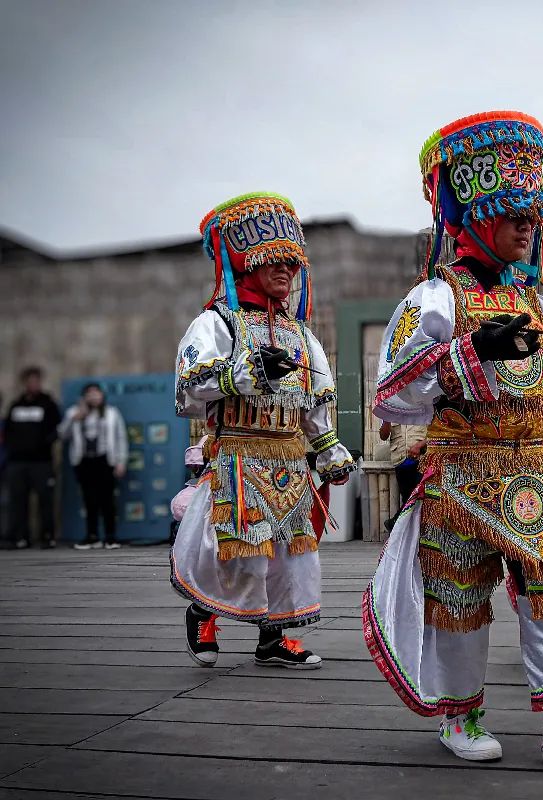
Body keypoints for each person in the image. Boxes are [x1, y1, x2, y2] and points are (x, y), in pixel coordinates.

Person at [363, 111, 543, 768]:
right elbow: (392, 395)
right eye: (513, 211)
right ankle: (460, 717)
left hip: (533, 475)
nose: (528, 226)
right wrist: (468, 351)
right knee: (458, 599)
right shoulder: (435, 296)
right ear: (474, 212)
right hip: (460, 474)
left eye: (533, 214)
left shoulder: (537, 304)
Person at [172, 192, 355, 671]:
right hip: (237, 454)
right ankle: (203, 612)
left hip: (289, 460)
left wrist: (327, 445)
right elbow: (190, 386)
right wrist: (240, 375)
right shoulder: (217, 321)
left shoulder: (300, 333)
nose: (286, 273)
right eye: (274, 262)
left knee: (291, 556)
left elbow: (317, 393)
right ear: (245, 265)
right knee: (233, 551)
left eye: (292, 265)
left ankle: (274, 638)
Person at [59, 383, 128, 549]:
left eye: (96, 393)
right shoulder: (73, 413)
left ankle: (111, 537)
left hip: (105, 460)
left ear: (102, 395)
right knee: (89, 500)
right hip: (83, 461)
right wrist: (73, 419)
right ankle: (92, 536)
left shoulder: (111, 413)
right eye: (89, 394)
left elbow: (121, 438)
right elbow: (62, 434)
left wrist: (121, 462)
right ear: (84, 397)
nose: (93, 397)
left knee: (107, 499)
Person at [4, 367, 61, 549]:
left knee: (45, 500)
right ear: (24, 383)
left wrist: (43, 443)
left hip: (41, 462)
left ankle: (47, 535)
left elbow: (56, 429)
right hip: (17, 462)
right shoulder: (16, 405)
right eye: (29, 381)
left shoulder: (48, 404)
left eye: (36, 381)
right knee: (18, 501)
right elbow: (8, 431)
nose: (33, 384)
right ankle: (21, 537)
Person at [379, 420, 427, 531]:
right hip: (400, 461)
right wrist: (386, 420)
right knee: (407, 498)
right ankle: (400, 529)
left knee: (418, 497)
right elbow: (383, 436)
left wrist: (420, 445)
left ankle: (395, 523)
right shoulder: (393, 409)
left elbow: (435, 435)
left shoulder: (424, 407)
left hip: (422, 459)